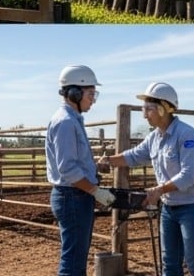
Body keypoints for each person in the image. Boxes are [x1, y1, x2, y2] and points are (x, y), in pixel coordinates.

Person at [97, 82, 194, 276]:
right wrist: (108, 161)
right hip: (169, 208)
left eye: (148, 109)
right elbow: (133, 156)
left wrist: (159, 190)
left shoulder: (186, 135)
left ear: (162, 108)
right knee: (169, 263)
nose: (144, 115)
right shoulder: (154, 138)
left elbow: (188, 176)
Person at [45, 64, 114, 276]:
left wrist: (94, 167)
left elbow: (73, 162)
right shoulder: (66, 122)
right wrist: (95, 191)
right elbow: (68, 169)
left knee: (76, 258)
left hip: (75, 195)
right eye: (91, 93)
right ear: (75, 93)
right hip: (73, 196)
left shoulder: (72, 119)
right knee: (73, 262)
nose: (93, 98)